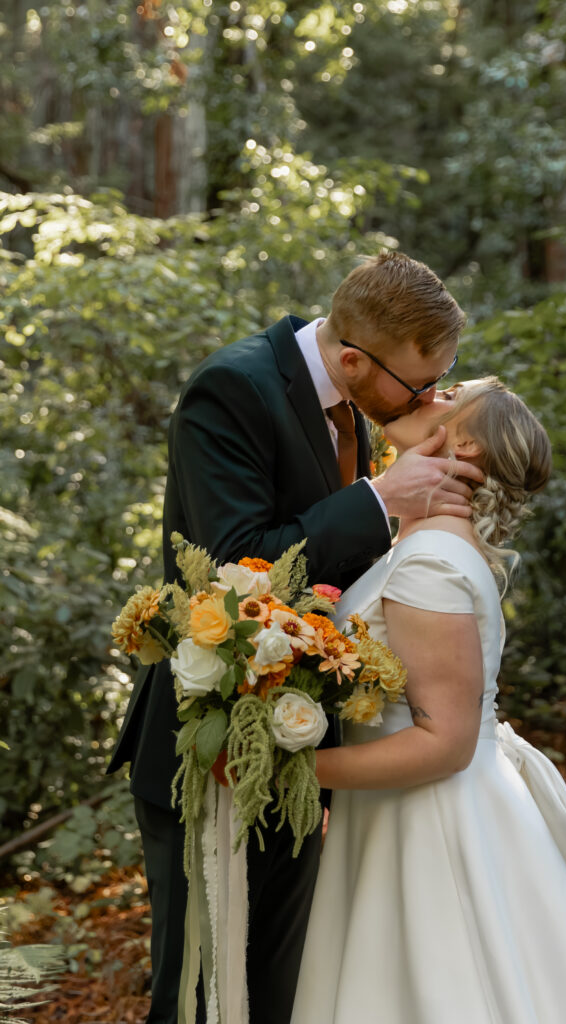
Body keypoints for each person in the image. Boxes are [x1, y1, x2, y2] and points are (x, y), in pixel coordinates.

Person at [106, 251, 484, 1024]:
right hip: (211, 743)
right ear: (352, 358)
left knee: (276, 990)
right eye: (417, 385)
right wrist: (379, 496)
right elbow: (229, 559)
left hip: (299, 744)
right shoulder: (233, 389)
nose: (428, 397)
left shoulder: (354, 405)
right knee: (203, 993)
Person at [291, 377, 566, 1024]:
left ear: (463, 446)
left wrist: (293, 771)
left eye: (448, 392)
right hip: (401, 813)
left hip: (428, 825)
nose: (426, 391)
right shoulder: (422, 546)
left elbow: (445, 742)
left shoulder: (429, 559)